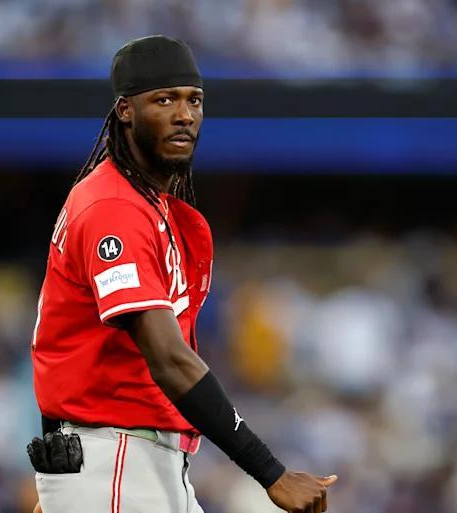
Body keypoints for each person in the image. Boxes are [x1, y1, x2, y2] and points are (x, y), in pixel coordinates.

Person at [26, 35, 337, 513]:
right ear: (125, 110)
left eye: (194, 100)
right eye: (164, 100)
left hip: (136, 466)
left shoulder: (154, 211)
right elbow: (169, 359)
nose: (184, 114)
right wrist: (271, 472)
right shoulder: (114, 207)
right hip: (116, 463)